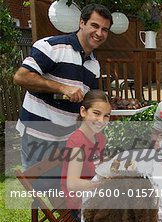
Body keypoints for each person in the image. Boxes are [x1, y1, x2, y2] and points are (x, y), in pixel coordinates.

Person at [13, 4, 112, 180]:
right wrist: (62, 87)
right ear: (82, 23)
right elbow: (21, 77)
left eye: (104, 29)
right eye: (95, 26)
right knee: (41, 189)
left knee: (67, 191)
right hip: (37, 136)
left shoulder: (94, 65)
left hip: (66, 140)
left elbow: (89, 103)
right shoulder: (52, 46)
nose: (99, 33)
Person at [61, 90, 111, 222]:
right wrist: (103, 186)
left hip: (94, 194)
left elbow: (101, 164)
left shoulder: (99, 138)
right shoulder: (77, 142)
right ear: (83, 111)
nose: (102, 120)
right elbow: (72, 183)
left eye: (106, 115)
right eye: (96, 113)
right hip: (79, 203)